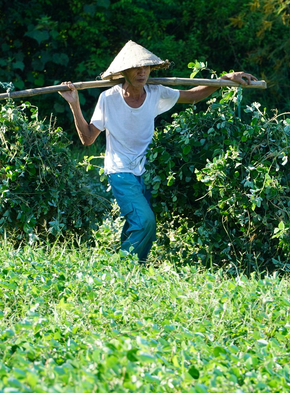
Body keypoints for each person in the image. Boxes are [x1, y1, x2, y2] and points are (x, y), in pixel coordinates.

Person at [59, 40, 257, 263]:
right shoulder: (109, 98)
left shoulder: (156, 93)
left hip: (145, 170)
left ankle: (131, 268)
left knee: (141, 226)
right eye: (135, 67)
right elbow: (87, 138)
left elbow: (192, 96)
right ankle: (124, 269)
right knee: (145, 221)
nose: (141, 71)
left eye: (145, 67)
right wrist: (74, 104)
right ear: (124, 71)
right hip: (120, 170)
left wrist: (225, 79)